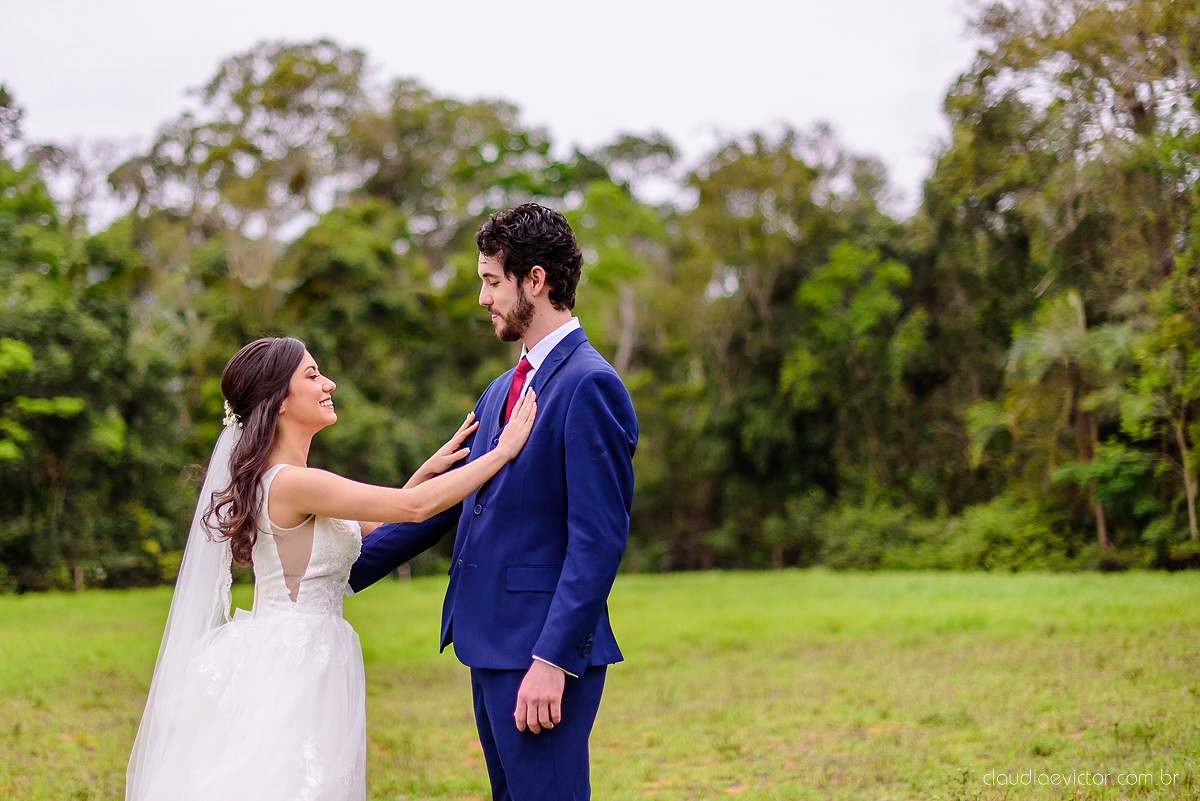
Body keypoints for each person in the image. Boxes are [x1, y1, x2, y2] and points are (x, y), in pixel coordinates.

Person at [125, 336, 537, 801]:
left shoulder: (287, 479)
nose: (329, 383)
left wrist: (427, 468)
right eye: (313, 375)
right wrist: (502, 452)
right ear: (279, 401)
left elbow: (377, 520)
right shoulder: (294, 482)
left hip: (307, 652)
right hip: (295, 662)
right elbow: (416, 509)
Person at [349, 204, 638, 801]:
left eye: (490, 281)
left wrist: (553, 660)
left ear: (536, 280)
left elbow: (597, 539)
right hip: (488, 643)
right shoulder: (502, 388)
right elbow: (450, 502)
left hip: (540, 653)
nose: (483, 299)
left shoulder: (589, 384)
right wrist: (341, 571)